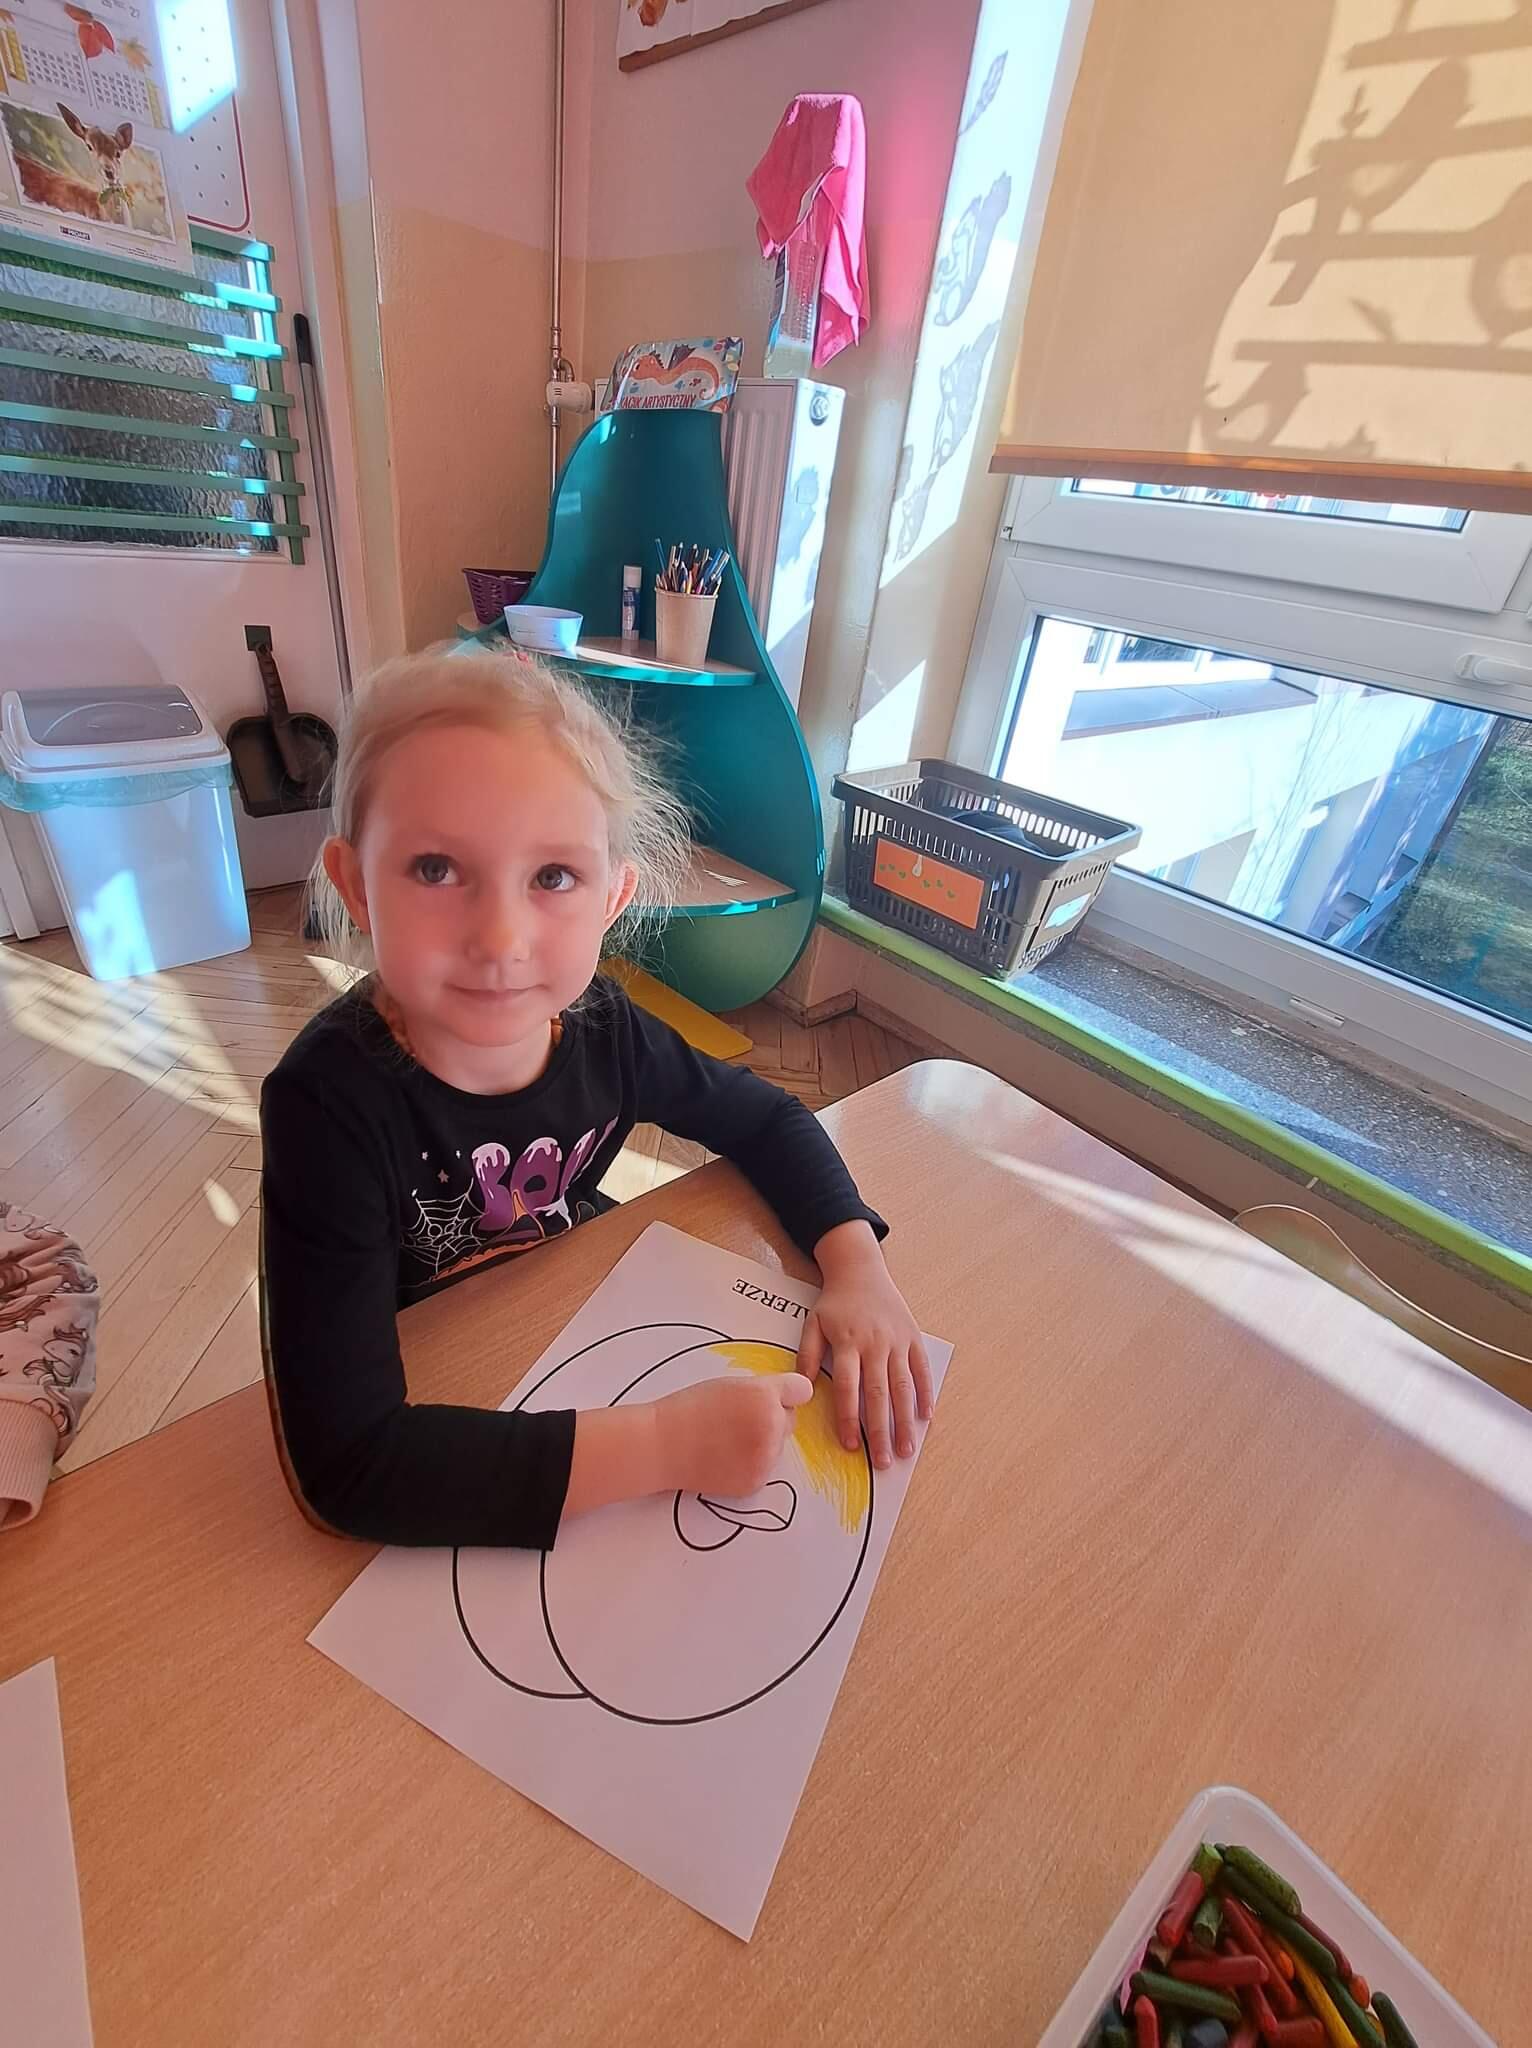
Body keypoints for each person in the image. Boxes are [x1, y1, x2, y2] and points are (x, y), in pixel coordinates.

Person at [260, 648, 931, 1549]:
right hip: (435, 1384)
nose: (501, 938)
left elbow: (766, 1117)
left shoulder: (607, 1032)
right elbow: (348, 1463)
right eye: (435, 869)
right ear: (356, 888)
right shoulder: (324, 1108)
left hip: (567, 1320)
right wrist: (660, 1446)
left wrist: (857, 1269)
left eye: (552, 877)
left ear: (613, 897)